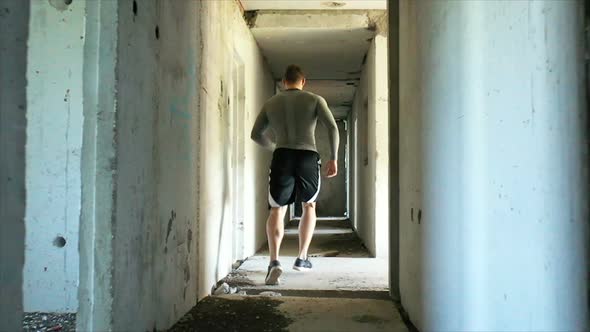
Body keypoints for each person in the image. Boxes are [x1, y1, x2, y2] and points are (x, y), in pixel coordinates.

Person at [250, 64, 340, 285]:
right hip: (308, 156)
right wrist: (334, 158)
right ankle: (301, 258)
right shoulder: (315, 100)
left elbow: (256, 134)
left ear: (283, 82)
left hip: (283, 155)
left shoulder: (271, 103)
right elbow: (332, 128)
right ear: (303, 82)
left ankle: (274, 262)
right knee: (309, 206)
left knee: (276, 209)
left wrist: (275, 147)